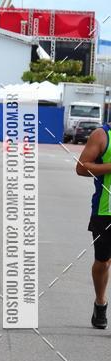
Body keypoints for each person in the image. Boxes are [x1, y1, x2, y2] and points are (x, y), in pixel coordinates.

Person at [76, 123, 111, 328]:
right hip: (105, 211)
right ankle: (100, 302)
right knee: (103, 262)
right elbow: (82, 167)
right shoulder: (102, 135)